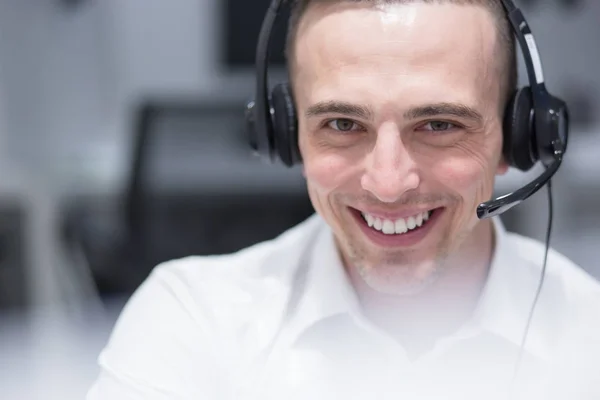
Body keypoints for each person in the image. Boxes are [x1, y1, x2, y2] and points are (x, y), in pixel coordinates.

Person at [87, 1, 600, 399]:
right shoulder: (191, 323)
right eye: (342, 124)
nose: (389, 183)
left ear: (516, 139)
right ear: (286, 137)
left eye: (439, 125)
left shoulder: (588, 342)